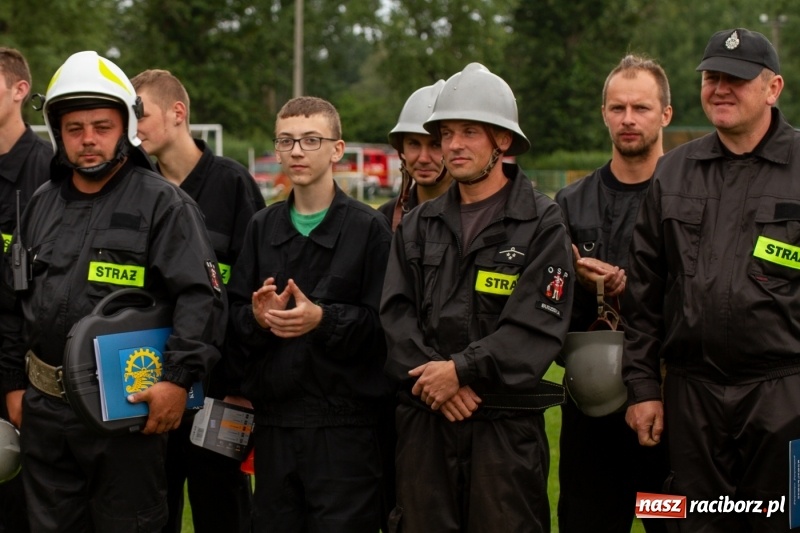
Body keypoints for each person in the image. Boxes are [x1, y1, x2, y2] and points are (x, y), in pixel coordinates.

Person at [0, 50, 225, 532]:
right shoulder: (39, 204)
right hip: (44, 415)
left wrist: (177, 380)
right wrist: (12, 385)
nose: (88, 141)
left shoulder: (164, 204)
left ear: (125, 125)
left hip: (127, 414)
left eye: (101, 126)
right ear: (57, 132)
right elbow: (12, 300)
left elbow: (201, 298)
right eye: (74, 128)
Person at [381, 62, 574, 532]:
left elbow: (537, 325)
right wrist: (437, 384)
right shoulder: (419, 225)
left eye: (469, 131)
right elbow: (395, 315)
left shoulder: (541, 224)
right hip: (425, 427)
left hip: (504, 435)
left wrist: (461, 371)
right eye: (446, 133)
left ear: (502, 140)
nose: (453, 145)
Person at [623, 28, 796, 532]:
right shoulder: (673, 172)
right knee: (694, 524)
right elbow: (644, 292)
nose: (720, 88)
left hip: (785, 396)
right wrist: (641, 388)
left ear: (773, 87)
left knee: (785, 521)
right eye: (712, 77)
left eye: (736, 79)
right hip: (692, 399)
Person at [226, 96, 392, 532]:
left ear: (337, 150)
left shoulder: (367, 229)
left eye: (310, 140)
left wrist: (324, 320)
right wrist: (258, 319)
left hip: (346, 432)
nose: (297, 151)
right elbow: (232, 318)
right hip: (275, 426)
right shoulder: (262, 227)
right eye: (287, 141)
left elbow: (386, 330)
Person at [131, 69, 265, 533]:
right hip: (152, 383)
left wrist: (243, 386)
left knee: (223, 510)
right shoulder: (136, 184)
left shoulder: (233, 184)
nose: (133, 126)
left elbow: (252, 294)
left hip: (221, 391)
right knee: (153, 510)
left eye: (140, 113)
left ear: (178, 112)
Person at [555, 54, 672, 533]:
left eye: (641, 108)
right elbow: (546, 305)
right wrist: (584, 286)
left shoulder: (690, 198)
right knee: (590, 521)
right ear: (603, 112)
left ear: (665, 114)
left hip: (671, 410)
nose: (628, 119)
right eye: (618, 107)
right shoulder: (570, 203)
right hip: (591, 413)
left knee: (671, 518)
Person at [0, 46, 51, 533]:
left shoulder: (46, 173)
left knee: (19, 502)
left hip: (20, 370)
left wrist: (16, 381)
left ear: (19, 91)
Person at [378, 80, 452, 230]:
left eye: (435, 145)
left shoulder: (475, 217)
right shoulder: (384, 218)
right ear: (401, 149)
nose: (423, 158)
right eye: (414, 144)